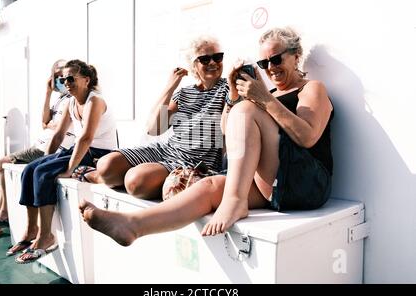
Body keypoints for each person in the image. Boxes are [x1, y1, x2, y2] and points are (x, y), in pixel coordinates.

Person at [79, 26, 334, 246]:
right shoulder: (259, 95)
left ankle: (235, 201)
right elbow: (226, 131)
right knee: (208, 187)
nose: (271, 68)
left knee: (246, 111)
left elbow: (308, 137)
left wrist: (261, 99)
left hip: (306, 183)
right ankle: (133, 226)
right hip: (274, 183)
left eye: (276, 60)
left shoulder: (311, 88)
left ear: (296, 57)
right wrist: (237, 95)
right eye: (264, 63)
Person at [83, 35, 228, 199]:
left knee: (136, 182)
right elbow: (154, 128)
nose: (212, 63)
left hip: (195, 160)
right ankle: (103, 176)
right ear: (193, 64)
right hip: (166, 149)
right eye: (204, 59)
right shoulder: (184, 93)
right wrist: (171, 85)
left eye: (217, 57)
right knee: (106, 164)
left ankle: (109, 178)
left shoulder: (227, 89)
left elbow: (226, 127)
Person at [14, 59, 117, 263]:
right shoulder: (70, 101)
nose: (66, 83)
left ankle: (47, 236)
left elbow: (86, 137)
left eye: (71, 78)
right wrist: (44, 159)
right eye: (63, 79)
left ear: (86, 80)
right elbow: (59, 134)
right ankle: (31, 229)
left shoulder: (95, 101)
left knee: (43, 173)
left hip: (99, 153)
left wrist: (70, 169)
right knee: (30, 170)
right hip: (82, 148)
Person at [0, 60, 75, 245]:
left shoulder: (72, 98)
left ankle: (3, 213)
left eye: (63, 75)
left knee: (10, 167)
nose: (60, 79)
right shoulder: (58, 98)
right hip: (39, 145)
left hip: (54, 147)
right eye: (56, 75)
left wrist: (51, 124)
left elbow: (60, 128)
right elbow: (44, 122)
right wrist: (48, 93)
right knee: (2, 163)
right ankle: (3, 211)